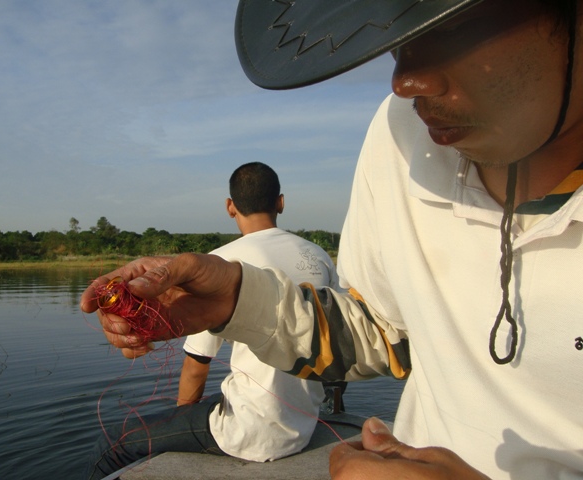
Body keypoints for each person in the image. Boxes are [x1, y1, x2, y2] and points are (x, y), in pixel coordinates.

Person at [81, 1, 583, 478]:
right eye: (397, 37)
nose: (406, 81)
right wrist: (235, 301)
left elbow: (195, 371)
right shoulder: (402, 132)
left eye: (453, 27)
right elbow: (385, 333)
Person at [83, 162, 339, 479]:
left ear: (230, 207)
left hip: (249, 434)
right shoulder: (319, 256)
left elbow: (195, 367)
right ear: (280, 203)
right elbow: (340, 342)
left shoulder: (217, 262)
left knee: (112, 445)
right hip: (305, 422)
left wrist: (179, 432)